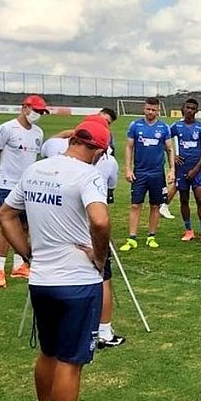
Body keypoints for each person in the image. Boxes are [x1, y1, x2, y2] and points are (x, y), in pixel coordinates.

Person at [0, 116, 111, 401]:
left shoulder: (35, 169)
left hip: (42, 280)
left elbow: (5, 215)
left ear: (73, 139)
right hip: (77, 282)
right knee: (70, 360)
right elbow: (100, 219)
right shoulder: (88, 174)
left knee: (48, 352)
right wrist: (100, 256)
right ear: (98, 151)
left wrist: (27, 254)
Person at [40, 118, 125, 348]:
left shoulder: (55, 149)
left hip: (54, 225)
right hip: (87, 228)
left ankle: (61, 328)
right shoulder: (108, 161)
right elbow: (109, 195)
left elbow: (47, 144)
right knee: (103, 276)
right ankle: (103, 330)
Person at [0, 95, 49, 287]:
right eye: (36, 110)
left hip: (28, 185)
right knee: (5, 225)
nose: (38, 115)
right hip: (7, 184)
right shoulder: (6, 128)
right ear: (25, 107)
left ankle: (19, 265)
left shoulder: (38, 132)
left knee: (25, 225)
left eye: (41, 112)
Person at [119, 97, 175, 251]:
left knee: (155, 205)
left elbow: (170, 149)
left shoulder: (164, 127)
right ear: (144, 109)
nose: (150, 112)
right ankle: (132, 238)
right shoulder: (135, 125)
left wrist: (172, 169)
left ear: (158, 111)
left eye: (153, 110)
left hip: (157, 174)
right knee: (135, 205)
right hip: (140, 173)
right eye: (148, 109)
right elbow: (129, 147)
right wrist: (128, 169)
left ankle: (151, 236)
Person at [169, 99, 201, 243]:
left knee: (200, 199)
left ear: (196, 111)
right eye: (187, 107)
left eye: (193, 108)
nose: (190, 110)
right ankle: (189, 231)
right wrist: (172, 155)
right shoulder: (176, 126)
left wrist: (196, 169)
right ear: (183, 109)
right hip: (181, 169)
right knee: (184, 199)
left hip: (197, 170)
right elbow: (164, 140)